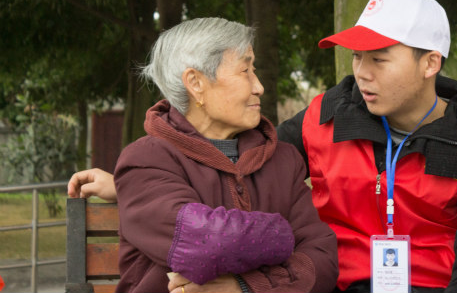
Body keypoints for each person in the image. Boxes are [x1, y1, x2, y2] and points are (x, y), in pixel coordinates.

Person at [69, 0, 457, 292]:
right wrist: (126, 183)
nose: (362, 72)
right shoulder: (326, 116)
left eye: (380, 60)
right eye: (357, 57)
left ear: (431, 63)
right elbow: (241, 167)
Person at [74, 17, 338, 293]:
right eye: (245, 70)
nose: (258, 86)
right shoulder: (144, 160)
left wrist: (245, 288)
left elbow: (323, 261)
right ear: (196, 82)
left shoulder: (283, 159)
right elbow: (204, 244)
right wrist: (280, 233)